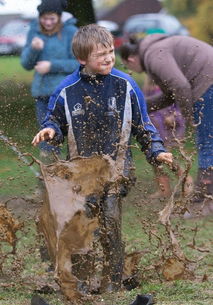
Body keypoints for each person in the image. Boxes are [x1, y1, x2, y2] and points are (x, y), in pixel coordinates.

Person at [32, 24, 173, 293]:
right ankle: (82, 281)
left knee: (110, 222)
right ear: (82, 59)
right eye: (101, 55)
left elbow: (143, 126)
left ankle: (113, 279)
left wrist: (156, 150)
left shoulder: (126, 85)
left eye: (110, 51)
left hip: (116, 171)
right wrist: (50, 129)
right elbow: (54, 119)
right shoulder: (66, 90)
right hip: (80, 176)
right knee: (82, 226)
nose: (108, 58)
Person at [119, 34, 213, 203]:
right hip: (207, 79)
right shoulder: (153, 54)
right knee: (208, 142)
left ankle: (205, 201)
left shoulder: (154, 55)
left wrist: (188, 116)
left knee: (206, 142)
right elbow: (170, 95)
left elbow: (180, 86)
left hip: (207, 81)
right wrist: (137, 107)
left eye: (126, 66)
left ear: (131, 59)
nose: (129, 70)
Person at [21, 0, 79, 160]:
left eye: (52, 18)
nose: (47, 22)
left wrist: (51, 66)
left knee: (73, 136)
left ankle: (76, 173)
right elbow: (25, 64)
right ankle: (48, 177)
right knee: (47, 137)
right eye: (44, 18)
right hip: (43, 95)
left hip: (68, 95)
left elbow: (78, 63)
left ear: (59, 17)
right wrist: (33, 49)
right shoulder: (34, 31)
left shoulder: (71, 32)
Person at [143, 75, 187, 198]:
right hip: (155, 130)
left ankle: (186, 182)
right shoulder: (149, 89)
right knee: (155, 161)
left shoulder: (172, 87)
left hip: (168, 130)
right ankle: (164, 189)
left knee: (169, 159)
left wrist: (174, 116)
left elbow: (182, 106)